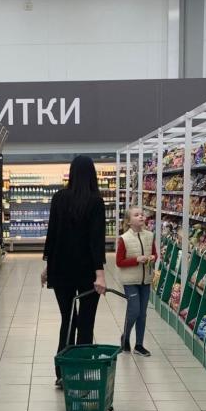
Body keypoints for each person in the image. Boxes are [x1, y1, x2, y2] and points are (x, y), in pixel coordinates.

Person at [41, 155, 106, 387]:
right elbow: (96, 241)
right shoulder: (96, 201)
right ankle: (81, 372)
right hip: (86, 270)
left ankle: (62, 373)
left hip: (60, 269)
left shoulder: (59, 198)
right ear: (92, 174)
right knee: (86, 323)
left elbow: (52, 233)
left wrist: (48, 265)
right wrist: (100, 274)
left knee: (67, 320)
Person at [116, 205, 156, 357]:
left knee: (142, 314)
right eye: (136, 215)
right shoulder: (124, 239)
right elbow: (119, 262)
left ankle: (139, 345)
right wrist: (136, 260)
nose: (141, 216)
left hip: (146, 280)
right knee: (134, 310)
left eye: (142, 214)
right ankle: (125, 336)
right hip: (130, 281)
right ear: (128, 221)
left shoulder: (150, 236)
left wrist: (152, 258)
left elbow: (155, 254)